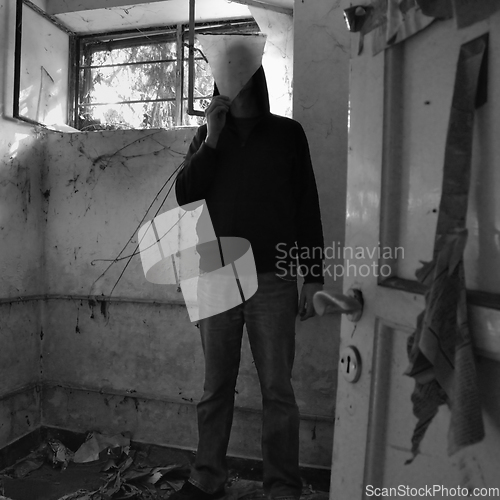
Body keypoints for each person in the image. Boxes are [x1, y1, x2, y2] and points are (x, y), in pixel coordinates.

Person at [173, 64, 324, 500]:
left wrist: (313, 276)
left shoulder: (287, 133)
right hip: (217, 276)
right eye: (225, 75)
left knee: (278, 390)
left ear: (256, 80)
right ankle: (208, 476)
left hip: (274, 279)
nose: (232, 84)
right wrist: (212, 136)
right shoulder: (207, 136)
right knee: (215, 388)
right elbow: (186, 195)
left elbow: (307, 206)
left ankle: (282, 486)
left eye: (240, 75)